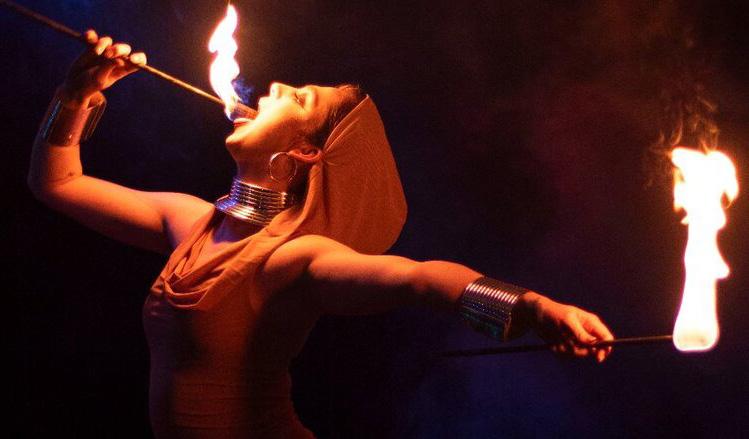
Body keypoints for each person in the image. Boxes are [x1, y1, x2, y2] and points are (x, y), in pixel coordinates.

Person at [28, 31, 614, 438]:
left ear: (306, 152)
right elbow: (57, 182)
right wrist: (77, 96)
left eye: (298, 98)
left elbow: (417, 279)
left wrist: (534, 308)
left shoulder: (292, 259)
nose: (276, 86)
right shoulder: (191, 222)